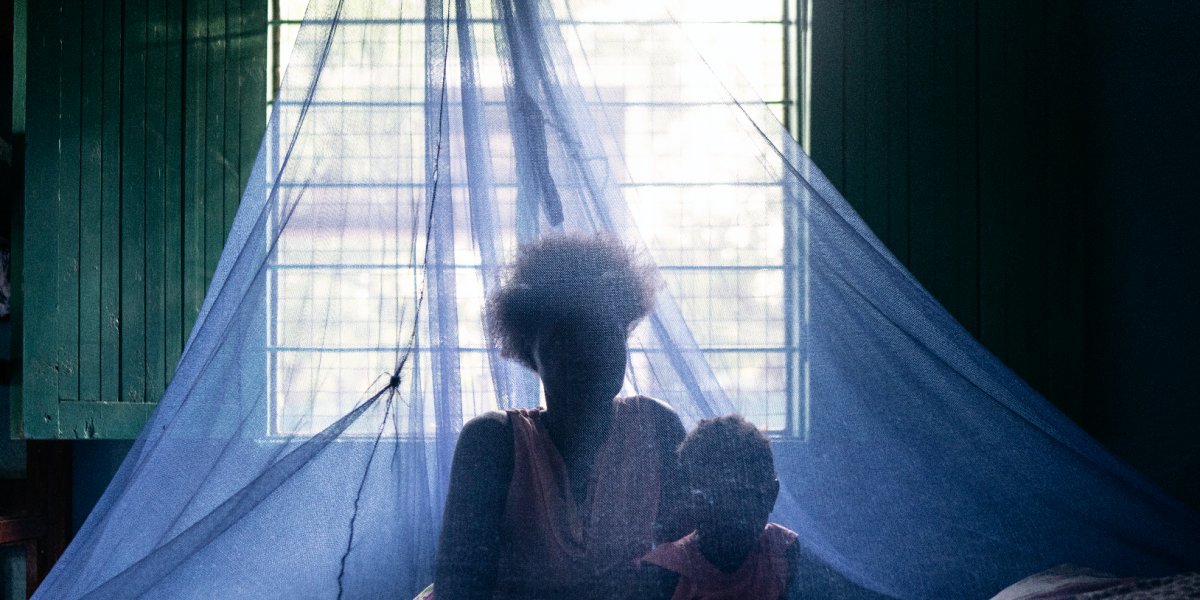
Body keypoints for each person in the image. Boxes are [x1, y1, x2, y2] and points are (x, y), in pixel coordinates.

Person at [434, 233, 691, 600]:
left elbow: (693, 568)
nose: (589, 349)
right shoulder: (491, 442)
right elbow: (459, 590)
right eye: (566, 334)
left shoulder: (656, 427)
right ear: (528, 348)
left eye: (605, 330)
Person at [636, 415, 895, 600]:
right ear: (689, 500)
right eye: (713, 497)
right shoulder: (665, 570)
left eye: (742, 497)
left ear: (771, 496)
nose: (728, 514)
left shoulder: (781, 549)